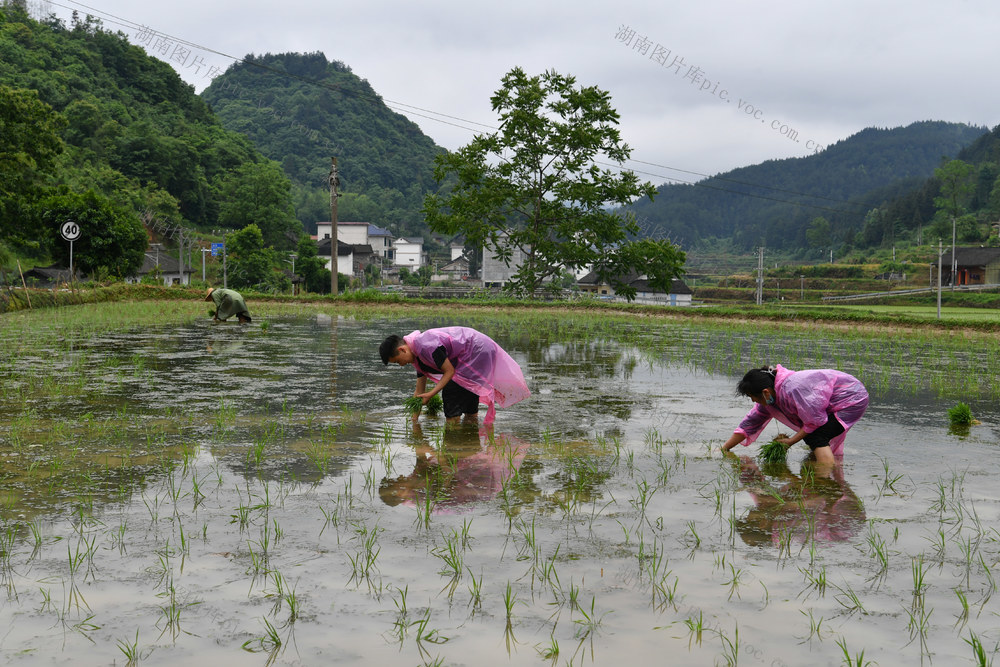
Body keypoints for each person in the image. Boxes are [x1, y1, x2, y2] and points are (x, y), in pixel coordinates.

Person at [379, 326, 530, 425]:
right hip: (472, 352)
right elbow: (419, 391)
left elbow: (450, 371)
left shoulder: (426, 347)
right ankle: (470, 431)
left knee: (452, 392)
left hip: (476, 349)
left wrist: (431, 394)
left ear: (403, 350)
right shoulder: (417, 356)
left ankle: (454, 436)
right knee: (467, 388)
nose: (401, 365)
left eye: (398, 361)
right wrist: (414, 421)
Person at [721, 365, 868, 463]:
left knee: (816, 436)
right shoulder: (769, 399)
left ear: (765, 392)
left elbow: (814, 421)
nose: (753, 400)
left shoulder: (793, 389)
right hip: (834, 401)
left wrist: (790, 442)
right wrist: (724, 448)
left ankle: (825, 476)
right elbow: (750, 424)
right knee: (813, 437)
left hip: (852, 398)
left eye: (752, 396)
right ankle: (819, 464)